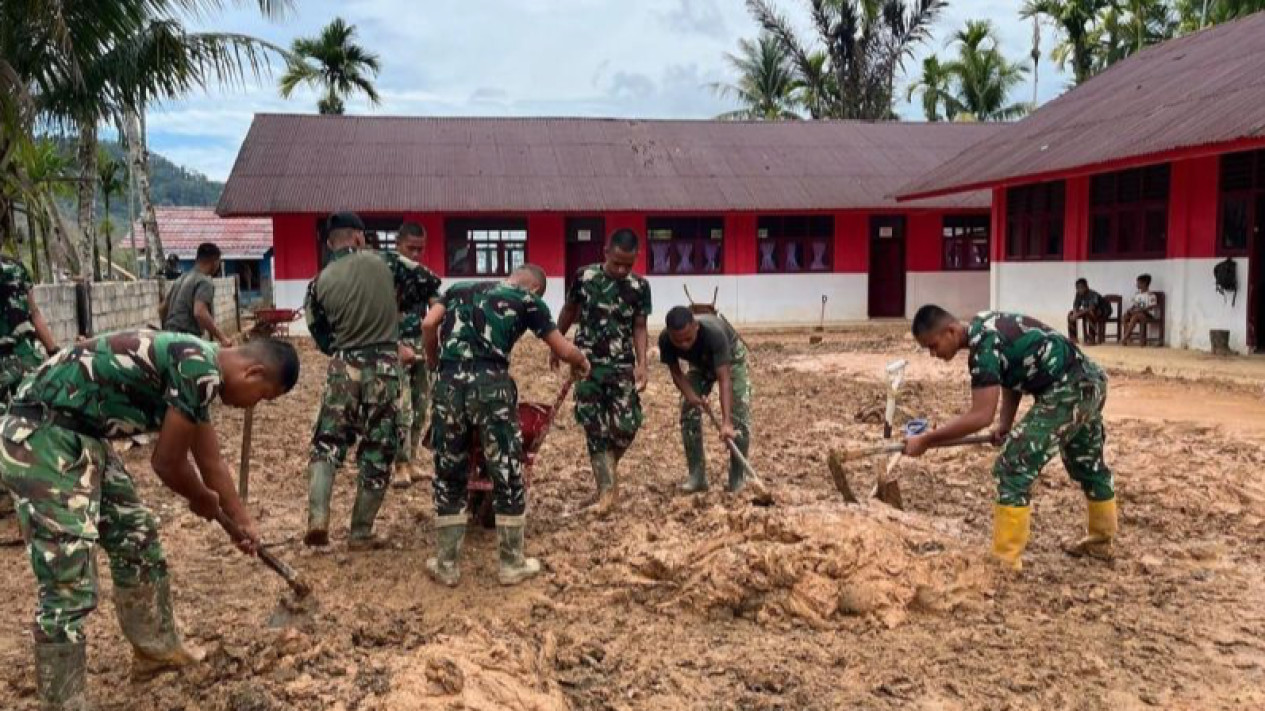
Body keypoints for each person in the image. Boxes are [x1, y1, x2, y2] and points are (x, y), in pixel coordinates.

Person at [0, 331, 300, 710]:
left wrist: (241, 520)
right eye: (262, 396)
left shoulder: (202, 368)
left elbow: (211, 462)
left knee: (136, 534)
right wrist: (199, 498)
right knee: (68, 569)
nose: (250, 406)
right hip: (42, 434)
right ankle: (63, 700)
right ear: (254, 373)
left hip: (85, 436)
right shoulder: (199, 367)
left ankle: (155, 651)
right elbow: (167, 463)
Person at [904, 306, 1117, 571]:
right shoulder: (985, 325)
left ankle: (1005, 560)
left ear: (951, 331)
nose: (934, 354)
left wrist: (926, 440)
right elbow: (1012, 375)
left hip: (1069, 389)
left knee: (1014, 463)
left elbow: (980, 415)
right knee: (1086, 462)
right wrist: (1005, 424)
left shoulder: (982, 348)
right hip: (1091, 382)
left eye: (933, 346)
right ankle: (1100, 540)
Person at [422, 264, 589, 587]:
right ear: (536, 289)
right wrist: (581, 362)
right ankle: (511, 563)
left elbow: (429, 323)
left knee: (450, 470)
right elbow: (561, 347)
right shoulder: (528, 301)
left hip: (448, 384)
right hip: (492, 386)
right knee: (507, 470)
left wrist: (434, 360)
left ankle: (446, 564)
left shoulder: (460, 288)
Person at [303, 212, 434, 550]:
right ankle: (361, 531)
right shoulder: (388, 263)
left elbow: (320, 337)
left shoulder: (318, 282)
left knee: (327, 443)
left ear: (330, 243)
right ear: (360, 238)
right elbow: (429, 283)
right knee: (377, 449)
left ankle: (318, 519)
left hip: (344, 366)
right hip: (385, 368)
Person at [554, 228, 651, 513]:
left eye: (628, 265)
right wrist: (557, 344)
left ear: (636, 259)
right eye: (616, 262)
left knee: (627, 426)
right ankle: (607, 492)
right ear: (605, 252)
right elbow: (569, 311)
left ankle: (604, 482)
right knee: (594, 426)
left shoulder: (639, 287)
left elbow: (640, 326)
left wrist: (642, 364)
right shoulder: (585, 277)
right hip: (586, 364)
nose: (621, 270)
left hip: (622, 365)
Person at [659, 306, 753, 494]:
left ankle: (737, 478)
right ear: (670, 335)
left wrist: (726, 422)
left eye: (688, 339)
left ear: (696, 327)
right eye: (678, 341)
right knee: (687, 409)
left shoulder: (714, 334)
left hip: (731, 359)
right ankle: (697, 476)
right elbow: (676, 373)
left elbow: (724, 379)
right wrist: (692, 397)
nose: (684, 345)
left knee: (739, 415)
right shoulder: (665, 340)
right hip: (700, 363)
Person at [0, 255, 60, 519]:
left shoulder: (15, 267)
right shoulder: (16, 266)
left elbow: (34, 311)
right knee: (35, 425)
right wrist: (53, 350)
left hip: (15, 360)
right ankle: (39, 491)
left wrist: (54, 351)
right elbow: (34, 312)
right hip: (26, 358)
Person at [391, 222, 442, 489]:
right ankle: (399, 465)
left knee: (422, 406)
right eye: (411, 248)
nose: (415, 254)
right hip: (393, 346)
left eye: (420, 249)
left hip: (420, 345)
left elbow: (436, 306)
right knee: (403, 406)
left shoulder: (423, 277)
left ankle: (411, 461)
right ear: (398, 244)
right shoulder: (386, 273)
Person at [160, 242, 232, 347]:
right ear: (214, 262)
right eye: (218, 262)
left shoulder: (181, 279)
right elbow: (199, 312)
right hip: (186, 341)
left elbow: (162, 309)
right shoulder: (204, 281)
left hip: (168, 338)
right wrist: (223, 338)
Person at [1067, 278, 1110, 344]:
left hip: (1103, 310)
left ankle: (1091, 338)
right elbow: (1076, 305)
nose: (1079, 290)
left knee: (1090, 313)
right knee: (1070, 314)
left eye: (1081, 287)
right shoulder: (1078, 294)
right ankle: (1073, 338)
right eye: (1077, 288)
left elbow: (1091, 307)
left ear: (1086, 287)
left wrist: (1078, 314)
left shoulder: (1093, 294)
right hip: (1088, 310)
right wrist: (1075, 313)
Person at [1121, 273, 1160, 345]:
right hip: (1137, 313)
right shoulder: (1137, 294)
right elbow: (1135, 305)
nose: (1137, 284)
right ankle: (1129, 337)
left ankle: (1125, 337)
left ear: (1144, 283)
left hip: (1147, 314)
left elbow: (1151, 307)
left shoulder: (1151, 295)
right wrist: (1130, 310)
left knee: (1136, 316)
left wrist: (1140, 310)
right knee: (1124, 316)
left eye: (1138, 283)